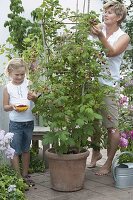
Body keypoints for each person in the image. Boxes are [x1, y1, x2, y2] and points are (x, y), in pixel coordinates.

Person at [88, 0, 130, 175]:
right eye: (105, 11)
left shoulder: (124, 36)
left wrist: (100, 37)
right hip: (92, 82)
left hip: (108, 86)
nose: (105, 14)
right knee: (92, 122)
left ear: (119, 17)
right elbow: (86, 47)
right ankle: (96, 153)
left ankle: (108, 162)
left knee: (111, 126)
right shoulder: (99, 28)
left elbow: (112, 52)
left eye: (110, 12)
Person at [3, 58, 37, 186]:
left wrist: (34, 98)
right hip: (15, 123)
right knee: (15, 150)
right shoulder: (8, 88)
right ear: (10, 72)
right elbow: (5, 107)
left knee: (26, 149)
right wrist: (12, 107)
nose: (20, 77)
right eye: (17, 74)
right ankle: (18, 177)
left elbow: (37, 101)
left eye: (22, 74)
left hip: (29, 121)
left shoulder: (29, 83)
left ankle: (25, 175)